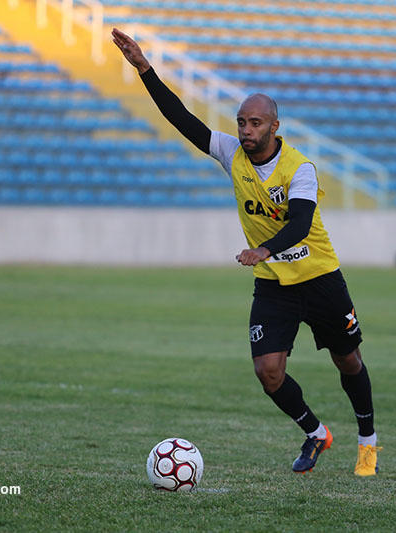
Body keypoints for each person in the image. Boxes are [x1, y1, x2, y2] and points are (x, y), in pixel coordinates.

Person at [111, 28, 380, 474]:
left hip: (319, 276)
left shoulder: (300, 168)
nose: (246, 130)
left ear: (274, 127)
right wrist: (145, 69)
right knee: (268, 372)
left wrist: (262, 249)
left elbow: (299, 224)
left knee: (347, 359)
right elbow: (182, 119)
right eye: (241, 122)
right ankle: (316, 434)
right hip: (274, 284)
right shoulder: (231, 153)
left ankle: (368, 442)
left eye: (255, 123)